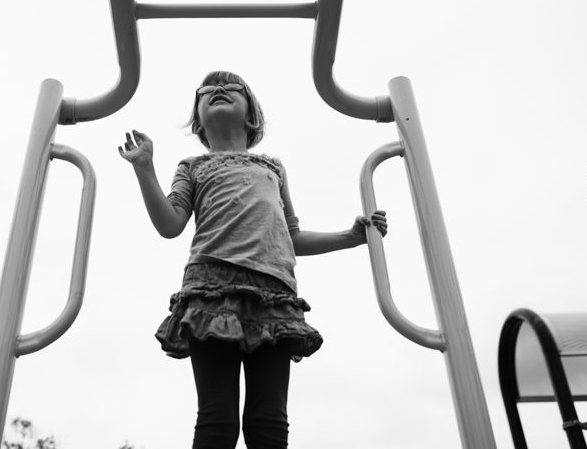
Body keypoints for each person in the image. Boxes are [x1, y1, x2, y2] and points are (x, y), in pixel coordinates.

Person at [118, 71, 387, 449]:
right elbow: (170, 224)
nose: (220, 89)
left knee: (268, 421)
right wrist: (144, 168)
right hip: (211, 293)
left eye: (232, 87)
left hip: (274, 297)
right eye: (208, 90)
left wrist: (351, 237)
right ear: (198, 119)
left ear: (252, 116)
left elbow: (291, 237)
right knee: (217, 418)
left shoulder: (272, 168)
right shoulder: (192, 167)